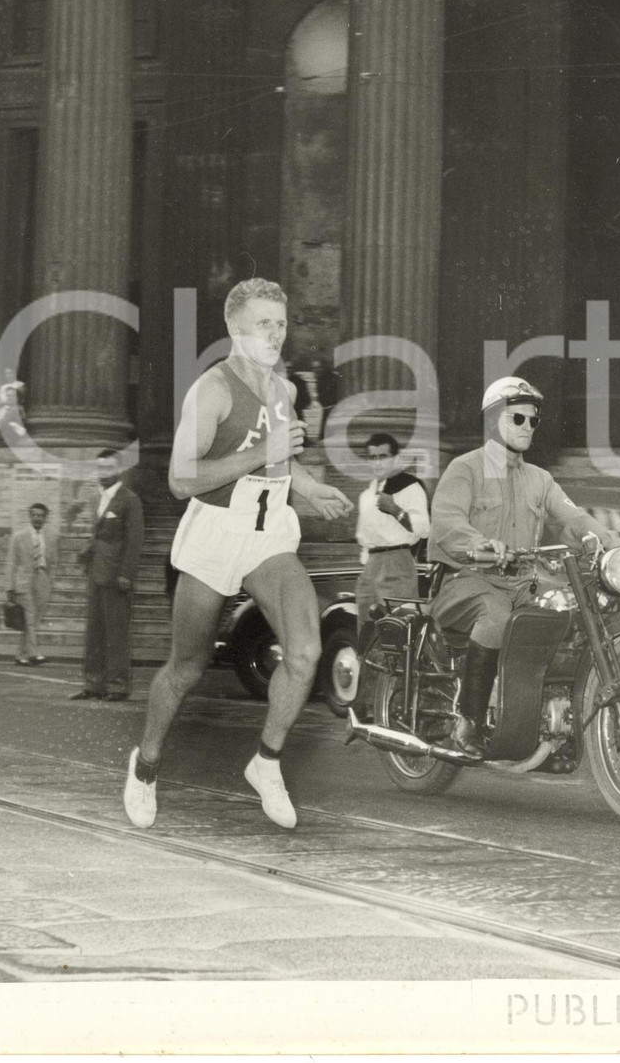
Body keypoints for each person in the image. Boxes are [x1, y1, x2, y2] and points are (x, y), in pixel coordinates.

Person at [123, 277, 353, 831]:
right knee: (187, 667)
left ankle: (266, 762)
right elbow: (181, 480)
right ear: (234, 327)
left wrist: (310, 488)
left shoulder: (285, 390)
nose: (275, 334)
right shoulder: (212, 390)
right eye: (262, 324)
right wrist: (262, 453)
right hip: (215, 532)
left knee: (305, 652)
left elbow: (281, 461)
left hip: (268, 534)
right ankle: (146, 764)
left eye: (281, 323)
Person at [428, 376, 620, 758]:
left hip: (523, 580)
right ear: (492, 420)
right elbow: (446, 522)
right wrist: (480, 545)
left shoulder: (539, 479)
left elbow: (574, 519)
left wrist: (617, 546)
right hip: (468, 578)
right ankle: (468, 722)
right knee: (496, 616)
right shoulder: (466, 469)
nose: (527, 426)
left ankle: (544, 712)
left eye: (533, 420)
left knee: (572, 607)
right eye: (517, 418)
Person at [71, 451, 144, 702]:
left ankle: (117, 686)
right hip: (96, 571)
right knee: (94, 631)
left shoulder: (129, 500)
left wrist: (126, 574)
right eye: (99, 468)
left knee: (116, 632)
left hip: (116, 575)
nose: (103, 474)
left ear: (119, 470)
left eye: (108, 468)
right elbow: (100, 534)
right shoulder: (97, 498)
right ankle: (93, 684)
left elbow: (134, 540)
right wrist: (88, 550)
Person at [355, 433, 430, 631]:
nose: (378, 462)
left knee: (396, 628)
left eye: (383, 456)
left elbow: (424, 529)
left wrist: (396, 510)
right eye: (373, 457)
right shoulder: (366, 495)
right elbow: (364, 539)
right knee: (366, 628)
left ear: (395, 458)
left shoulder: (409, 486)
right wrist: (366, 568)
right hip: (371, 565)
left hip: (397, 560)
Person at [6, 502, 57, 666]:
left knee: (34, 619)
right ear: (29, 516)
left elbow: (53, 562)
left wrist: (50, 580)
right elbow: (11, 563)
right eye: (34, 515)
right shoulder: (19, 536)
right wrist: (10, 587)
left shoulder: (51, 537)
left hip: (42, 577)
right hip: (23, 580)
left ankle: (20, 655)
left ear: (45, 517)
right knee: (29, 616)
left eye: (41, 515)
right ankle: (34, 653)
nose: (37, 518)